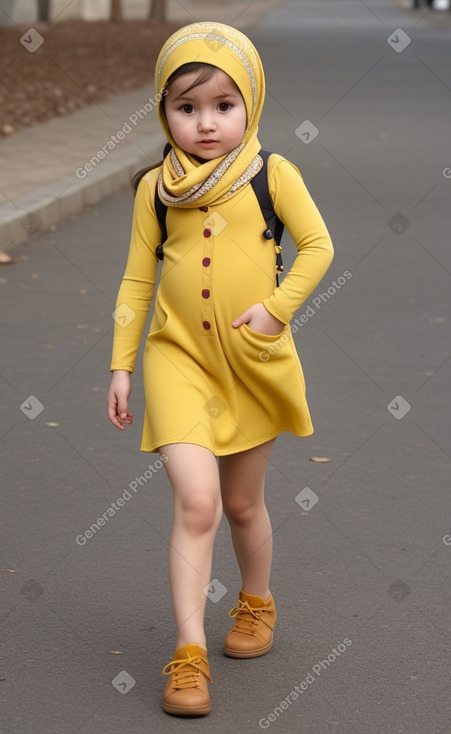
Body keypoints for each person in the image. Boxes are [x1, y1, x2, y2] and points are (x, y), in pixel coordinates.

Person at [107, 21, 334, 717]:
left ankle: (256, 602)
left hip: (252, 363)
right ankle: (187, 654)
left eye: (222, 106)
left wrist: (275, 308)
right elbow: (136, 284)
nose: (205, 123)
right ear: (163, 111)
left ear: (250, 106)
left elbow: (317, 246)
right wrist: (121, 366)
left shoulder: (273, 175)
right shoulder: (155, 190)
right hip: (177, 362)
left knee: (240, 504)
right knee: (197, 502)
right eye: (186, 107)